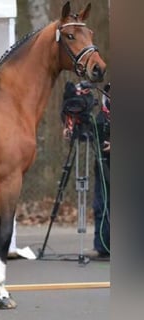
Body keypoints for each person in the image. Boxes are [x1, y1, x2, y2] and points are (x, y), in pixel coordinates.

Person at [92, 83, 110, 258]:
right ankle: (101, 246)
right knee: (101, 204)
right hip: (103, 166)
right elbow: (90, 134)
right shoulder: (101, 116)